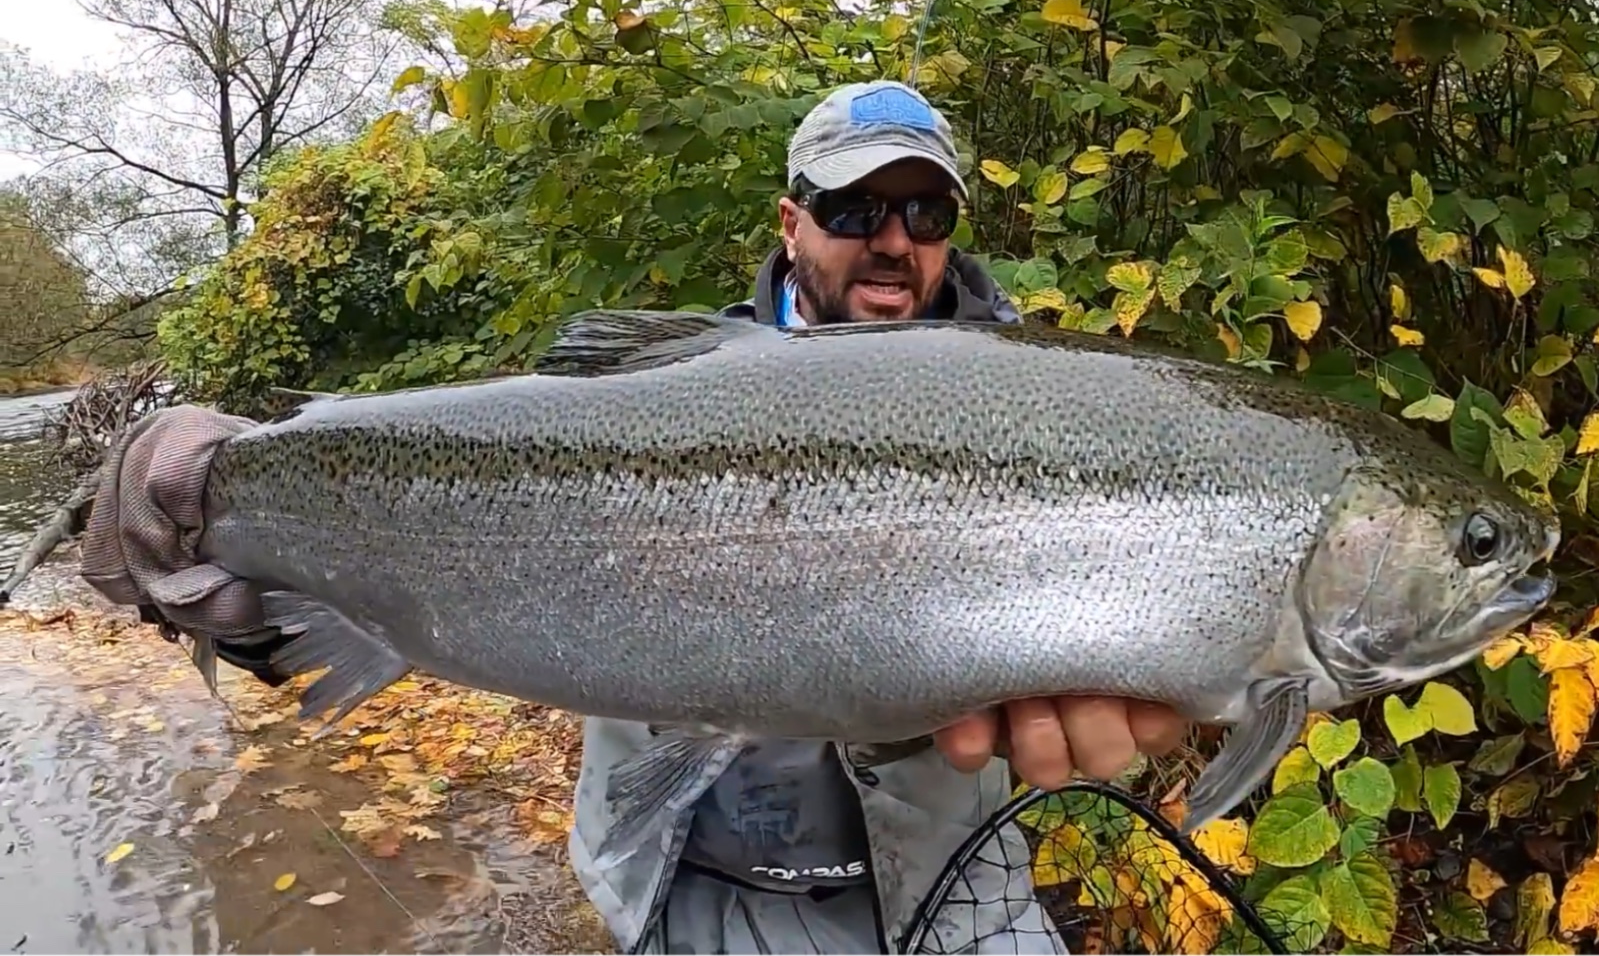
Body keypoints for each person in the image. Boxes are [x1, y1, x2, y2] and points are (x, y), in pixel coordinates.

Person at [74, 79, 1191, 955]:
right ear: (792, 222)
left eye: (925, 211)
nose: (894, 239)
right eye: (856, 209)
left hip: (961, 896)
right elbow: (327, 602)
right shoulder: (647, 401)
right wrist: (198, 502)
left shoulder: (1042, 402)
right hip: (686, 890)